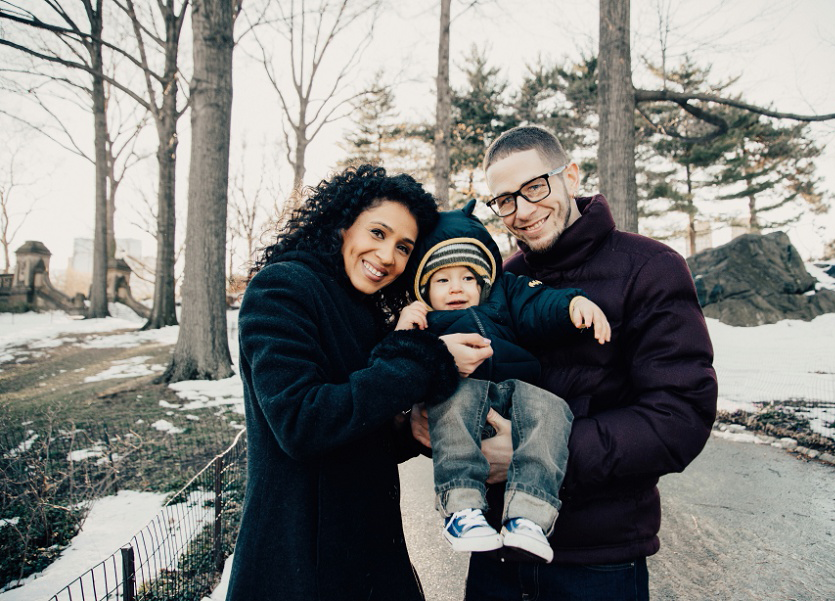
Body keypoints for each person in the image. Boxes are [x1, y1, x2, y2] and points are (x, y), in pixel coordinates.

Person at [413, 126, 718, 600]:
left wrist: (531, 454)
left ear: (571, 176)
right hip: (495, 556)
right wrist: (427, 419)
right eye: (505, 200)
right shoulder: (496, 280)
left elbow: (679, 418)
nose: (523, 211)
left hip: (597, 562)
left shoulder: (649, 268)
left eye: (534, 187)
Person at [225, 165, 490, 601]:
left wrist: (409, 429)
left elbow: (360, 417)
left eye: (403, 247)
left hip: (369, 552)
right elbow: (302, 422)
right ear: (342, 225)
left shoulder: (364, 308)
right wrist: (430, 361)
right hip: (300, 561)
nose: (387, 256)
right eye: (378, 233)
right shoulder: (280, 289)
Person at [395, 200, 610, 564]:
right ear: (424, 290)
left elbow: (538, 303)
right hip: (459, 393)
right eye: (442, 280)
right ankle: (461, 508)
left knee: (552, 408)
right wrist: (405, 329)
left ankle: (529, 514)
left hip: (512, 390)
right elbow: (395, 366)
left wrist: (571, 305)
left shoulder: (505, 296)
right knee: (456, 399)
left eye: (468, 278)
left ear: (483, 282)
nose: (456, 287)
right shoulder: (425, 321)